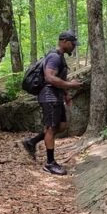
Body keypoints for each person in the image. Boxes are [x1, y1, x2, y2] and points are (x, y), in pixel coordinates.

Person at [21, 30, 83, 175]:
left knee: (62, 126)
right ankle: (50, 163)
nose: (74, 46)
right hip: (49, 97)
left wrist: (66, 94)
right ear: (64, 42)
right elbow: (49, 78)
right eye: (73, 44)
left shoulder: (60, 57)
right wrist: (71, 85)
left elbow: (59, 78)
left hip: (56, 96)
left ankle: (31, 142)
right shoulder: (54, 57)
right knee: (51, 128)